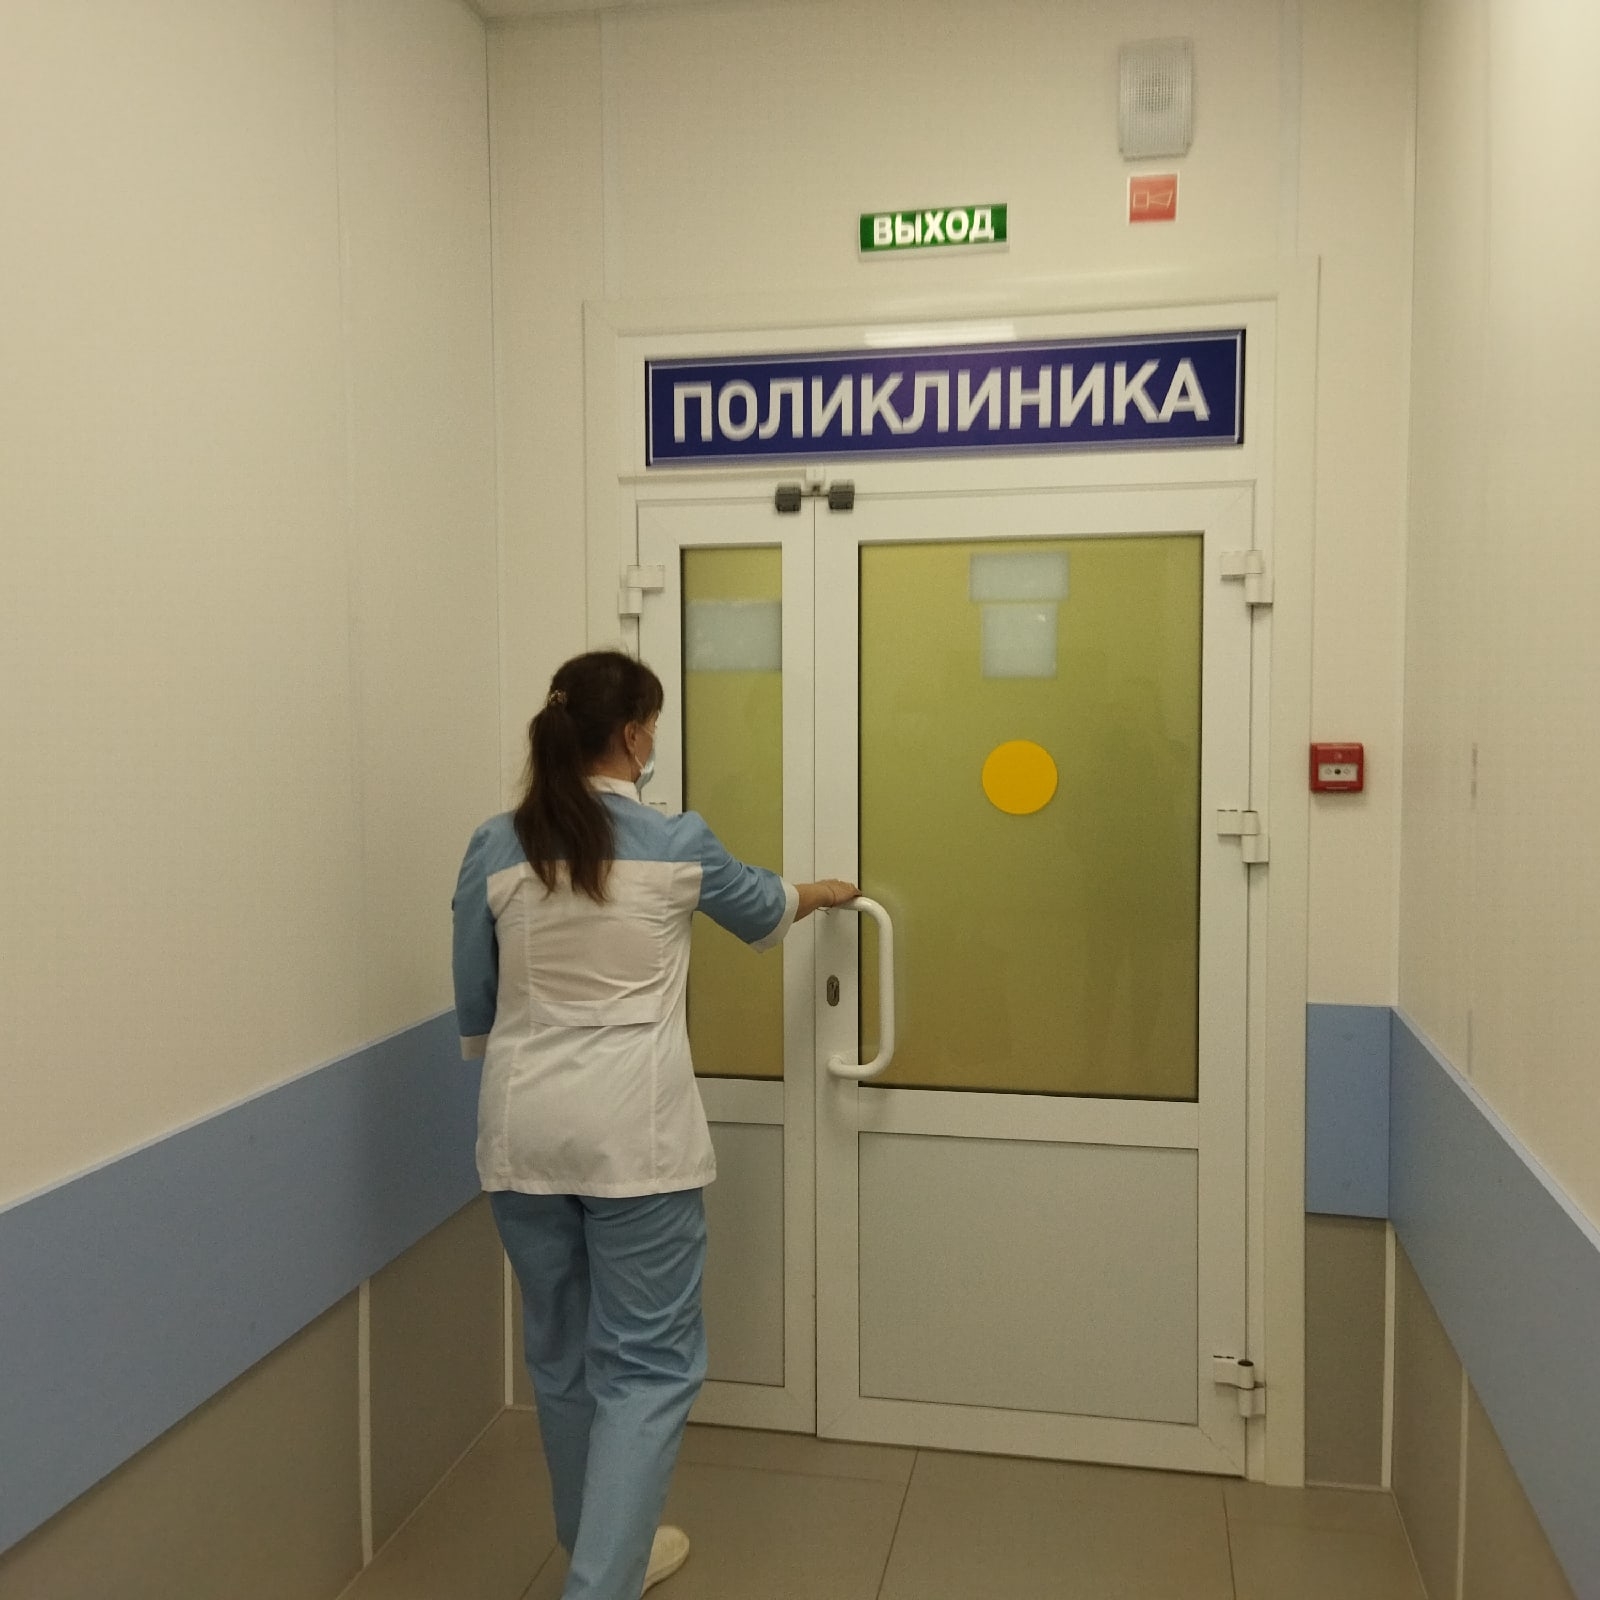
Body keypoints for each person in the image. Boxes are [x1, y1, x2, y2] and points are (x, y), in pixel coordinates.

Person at [451, 649, 855, 1600]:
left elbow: (476, 998)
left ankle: (599, 1551)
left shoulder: (494, 845)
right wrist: (825, 892)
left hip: (521, 1133)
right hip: (636, 1139)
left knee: (560, 1354)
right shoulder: (677, 842)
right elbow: (763, 907)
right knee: (647, 1369)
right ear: (634, 735)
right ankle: (600, 1581)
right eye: (654, 728)